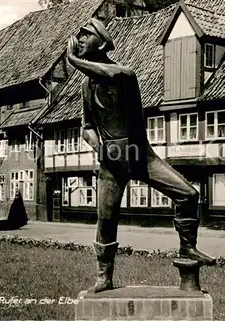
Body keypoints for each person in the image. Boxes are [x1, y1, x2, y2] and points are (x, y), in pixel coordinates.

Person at [67, 18, 215, 293]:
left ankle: (188, 248)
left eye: (85, 35)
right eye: (80, 36)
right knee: (106, 220)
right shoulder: (86, 87)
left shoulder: (124, 75)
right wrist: (99, 148)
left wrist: (73, 60)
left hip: (141, 156)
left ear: (101, 42)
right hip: (111, 161)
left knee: (189, 195)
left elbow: (110, 75)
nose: (80, 39)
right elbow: (86, 127)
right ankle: (104, 275)